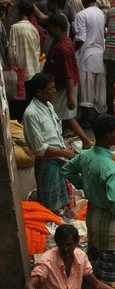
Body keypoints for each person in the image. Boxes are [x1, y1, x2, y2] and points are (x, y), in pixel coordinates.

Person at [61, 115, 115, 284]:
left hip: (92, 215)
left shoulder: (86, 155)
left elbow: (67, 170)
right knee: (112, 264)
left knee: (96, 254)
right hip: (108, 218)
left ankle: (95, 286)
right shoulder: (108, 166)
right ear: (108, 136)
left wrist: (84, 185)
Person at [22, 73, 76, 214]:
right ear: (39, 92)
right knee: (50, 207)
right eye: (51, 88)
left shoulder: (49, 106)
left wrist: (64, 149)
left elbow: (55, 133)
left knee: (61, 201)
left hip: (58, 160)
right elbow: (40, 148)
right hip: (47, 164)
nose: (55, 91)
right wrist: (65, 153)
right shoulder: (31, 114)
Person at [44, 14, 94, 150]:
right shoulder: (64, 42)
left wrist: (71, 96)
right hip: (63, 86)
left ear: (58, 29)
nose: (48, 30)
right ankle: (84, 141)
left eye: (50, 27)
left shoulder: (63, 48)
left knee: (62, 116)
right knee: (64, 116)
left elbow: (68, 74)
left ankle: (84, 141)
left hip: (64, 87)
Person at [75, 0, 107, 121]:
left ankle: (86, 120)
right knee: (98, 88)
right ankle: (97, 118)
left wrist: (72, 50)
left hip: (86, 55)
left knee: (86, 90)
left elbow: (80, 38)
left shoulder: (81, 15)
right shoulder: (101, 13)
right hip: (99, 54)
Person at [8, 1, 41, 85]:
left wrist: (11, 67)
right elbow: (38, 50)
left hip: (20, 73)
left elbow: (11, 52)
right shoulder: (34, 29)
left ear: (19, 12)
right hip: (34, 72)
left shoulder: (14, 28)